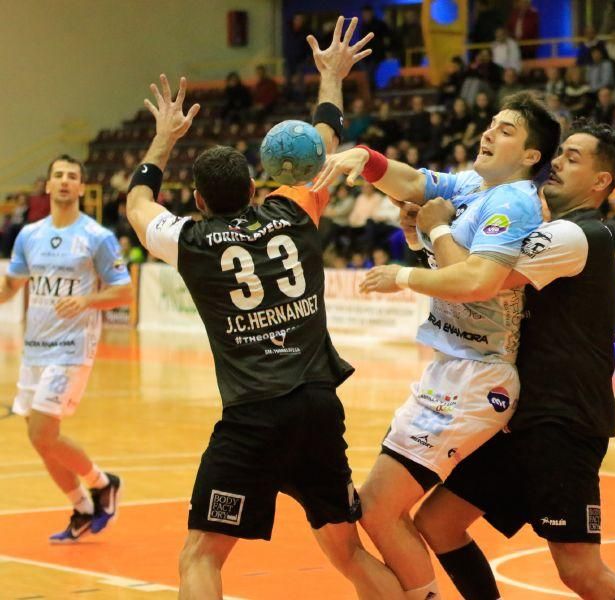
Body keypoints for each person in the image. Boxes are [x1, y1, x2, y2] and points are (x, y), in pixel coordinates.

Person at [123, 20, 406, 599]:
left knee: (201, 556)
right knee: (347, 552)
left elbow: (137, 200)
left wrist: (165, 139)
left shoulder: (190, 241)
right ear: (254, 189)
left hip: (254, 417)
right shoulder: (296, 212)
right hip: (317, 406)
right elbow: (326, 142)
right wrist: (330, 75)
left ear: (199, 202)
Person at [363, 120, 615, 600]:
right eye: (560, 154)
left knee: (580, 570)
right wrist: (425, 235)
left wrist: (433, 233)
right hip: (519, 413)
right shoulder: (546, 224)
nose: (557, 162)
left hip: (563, 418)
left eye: (573, 158)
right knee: (439, 522)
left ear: (602, 181)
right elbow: (468, 263)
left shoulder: (578, 237)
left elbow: (477, 281)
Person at [312, 92, 559, 599]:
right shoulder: (474, 184)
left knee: (379, 508)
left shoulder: (513, 200)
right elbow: (414, 183)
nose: (488, 132)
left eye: (506, 130)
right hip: (452, 368)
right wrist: (368, 159)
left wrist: (415, 256)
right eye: (491, 122)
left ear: (532, 156)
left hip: (480, 374)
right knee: (391, 512)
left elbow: (478, 281)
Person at [0, 155, 132, 541]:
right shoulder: (29, 235)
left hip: (71, 348)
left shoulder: (97, 237)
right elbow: (11, 286)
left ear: (81, 188)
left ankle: (103, 482)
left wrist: (87, 301)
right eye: (57, 175)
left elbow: (124, 291)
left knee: (43, 432)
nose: (63, 182)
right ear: (47, 184)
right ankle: (81, 506)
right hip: (34, 349)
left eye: (71, 177)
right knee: (39, 440)